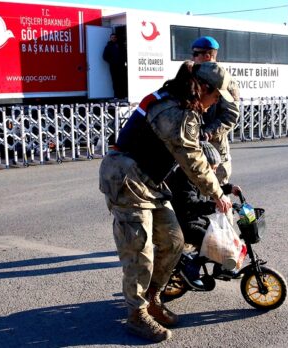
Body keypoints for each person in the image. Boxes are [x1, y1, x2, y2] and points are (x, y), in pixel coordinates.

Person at [98, 61, 233, 342]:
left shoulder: (182, 103)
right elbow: (192, 160)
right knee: (140, 249)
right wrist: (217, 193)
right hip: (126, 179)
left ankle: (152, 299)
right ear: (204, 88)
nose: (215, 103)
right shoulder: (176, 110)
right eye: (216, 96)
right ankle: (136, 315)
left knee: (173, 241)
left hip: (150, 181)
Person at [165, 141, 240, 288]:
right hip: (184, 222)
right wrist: (214, 206)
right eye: (212, 169)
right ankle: (191, 269)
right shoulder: (184, 178)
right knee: (211, 241)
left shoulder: (198, 177)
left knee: (223, 234)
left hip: (197, 219)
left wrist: (229, 189)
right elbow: (190, 204)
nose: (213, 173)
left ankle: (221, 267)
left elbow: (214, 188)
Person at [191, 36, 240, 185]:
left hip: (214, 146)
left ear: (207, 56)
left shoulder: (224, 80)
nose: (192, 58)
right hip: (193, 142)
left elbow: (231, 115)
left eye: (195, 54)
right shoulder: (193, 76)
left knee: (216, 191)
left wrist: (208, 131)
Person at [102, 33, 128, 99]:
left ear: (116, 38)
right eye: (112, 37)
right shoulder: (108, 46)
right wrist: (112, 62)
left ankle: (124, 95)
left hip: (122, 66)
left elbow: (125, 55)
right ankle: (116, 96)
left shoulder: (121, 45)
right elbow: (104, 57)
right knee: (115, 81)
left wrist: (124, 62)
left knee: (123, 80)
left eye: (114, 37)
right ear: (110, 38)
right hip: (113, 67)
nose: (113, 38)